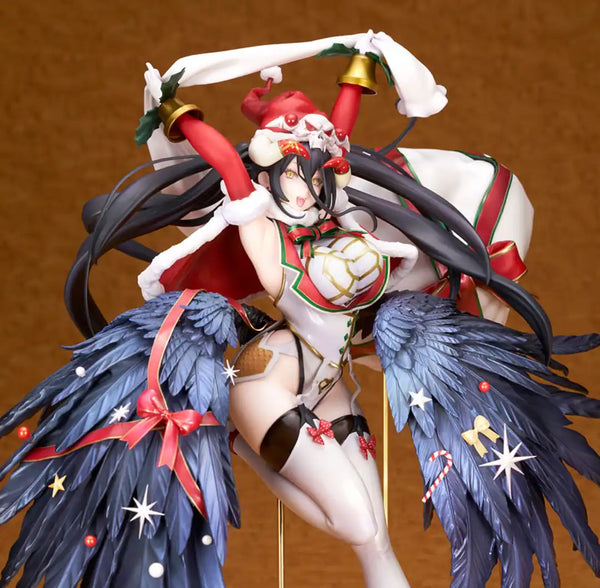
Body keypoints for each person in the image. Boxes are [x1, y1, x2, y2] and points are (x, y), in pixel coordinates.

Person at [0, 32, 598, 588]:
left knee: (377, 542)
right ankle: (242, 440)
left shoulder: (343, 222)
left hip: (330, 383)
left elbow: (342, 129)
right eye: (288, 177)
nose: (302, 189)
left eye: (312, 176)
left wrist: (360, 67)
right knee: (358, 523)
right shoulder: (263, 229)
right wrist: (178, 111)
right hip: (269, 381)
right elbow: (226, 161)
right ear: (267, 178)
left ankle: (249, 448)